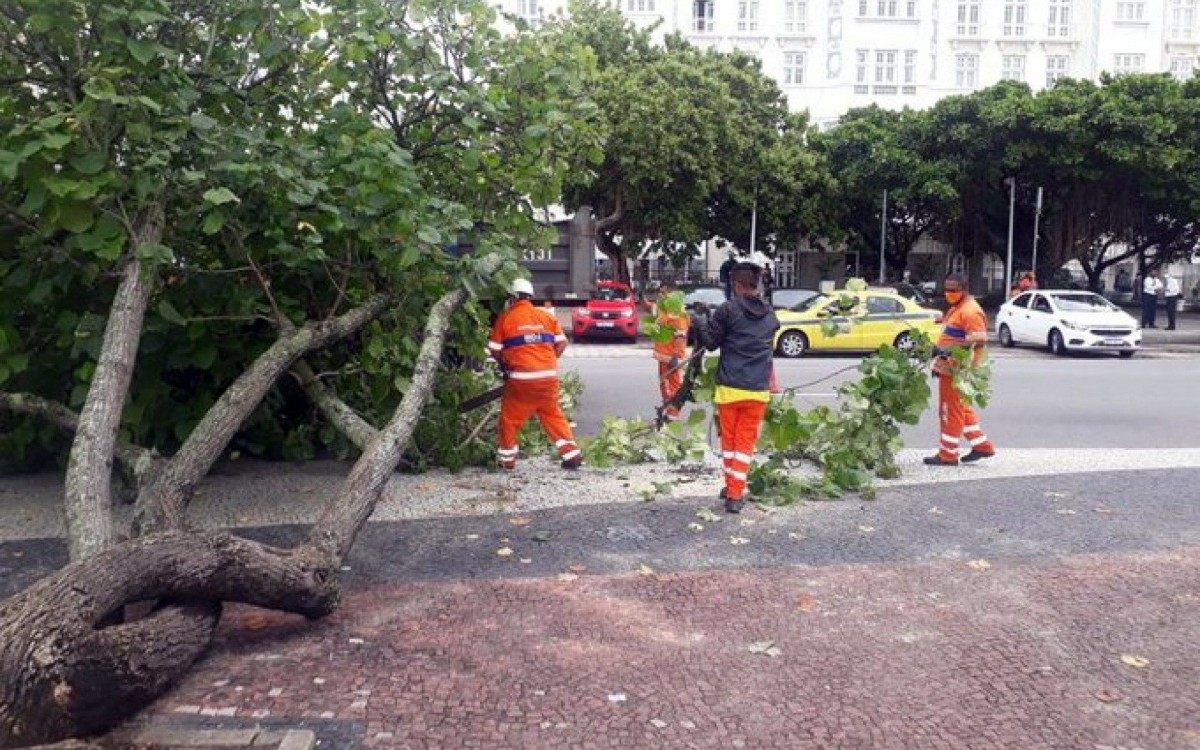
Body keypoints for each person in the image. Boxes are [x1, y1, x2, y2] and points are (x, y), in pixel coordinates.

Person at [700, 262, 780, 513]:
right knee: (745, 444)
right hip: (757, 391)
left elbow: (711, 343)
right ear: (756, 286)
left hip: (730, 390)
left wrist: (700, 321)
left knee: (731, 443)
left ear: (736, 285)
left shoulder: (728, 310)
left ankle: (734, 493)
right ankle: (733, 487)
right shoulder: (770, 314)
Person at [488, 278, 582, 471]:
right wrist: (547, 360)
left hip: (522, 381)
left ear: (512, 298)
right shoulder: (546, 316)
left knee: (510, 419)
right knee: (552, 414)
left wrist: (505, 365)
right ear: (530, 296)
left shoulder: (506, 318)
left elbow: (494, 349)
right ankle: (571, 455)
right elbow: (562, 343)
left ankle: (507, 460)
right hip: (548, 378)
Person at [925, 273, 997, 467]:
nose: (949, 293)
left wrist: (945, 351)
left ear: (964, 289)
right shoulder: (957, 308)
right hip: (951, 366)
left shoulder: (971, 311)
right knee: (961, 407)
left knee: (949, 410)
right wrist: (939, 361)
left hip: (958, 369)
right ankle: (982, 446)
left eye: (953, 290)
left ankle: (948, 455)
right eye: (947, 289)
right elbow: (952, 335)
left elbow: (979, 339)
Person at [650, 282, 690, 422]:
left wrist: (676, 356)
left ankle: (673, 414)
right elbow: (655, 311)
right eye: (660, 293)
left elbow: (680, 335)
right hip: (664, 355)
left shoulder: (678, 314)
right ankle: (668, 410)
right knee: (664, 384)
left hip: (671, 357)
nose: (662, 296)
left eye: (664, 293)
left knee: (672, 385)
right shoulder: (666, 311)